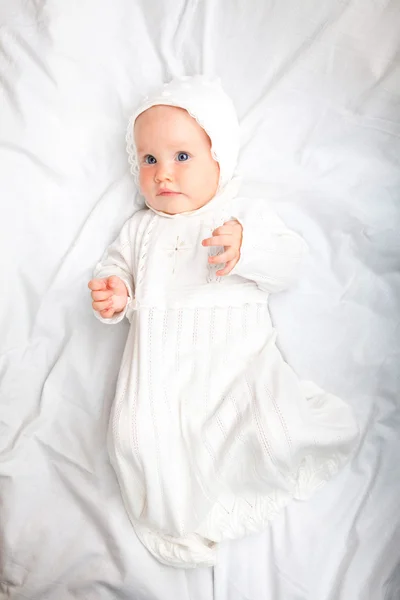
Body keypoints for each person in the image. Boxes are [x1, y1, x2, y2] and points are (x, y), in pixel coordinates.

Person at [88, 75, 359, 568]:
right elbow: (117, 269)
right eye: (149, 160)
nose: (163, 174)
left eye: (182, 156)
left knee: (275, 431)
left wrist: (246, 246)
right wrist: (117, 293)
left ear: (221, 157)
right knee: (132, 435)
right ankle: (171, 521)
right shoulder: (139, 228)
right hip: (158, 366)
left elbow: (289, 263)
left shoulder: (240, 214)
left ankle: (258, 469)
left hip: (237, 362)